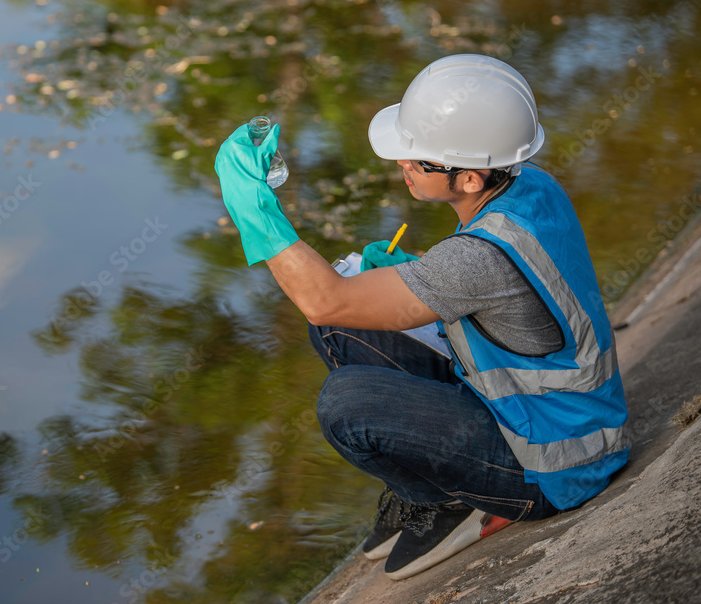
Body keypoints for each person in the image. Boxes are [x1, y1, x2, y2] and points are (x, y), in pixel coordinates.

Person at [214, 54, 630, 580]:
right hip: (558, 412)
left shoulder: (476, 259)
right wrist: (419, 275)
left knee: (346, 403)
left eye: (419, 160)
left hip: (555, 463)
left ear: (473, 178)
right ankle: (438, 489)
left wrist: (253, 207)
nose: (402, 166)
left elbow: (325, 297)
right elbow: (501, 291)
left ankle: (448, 500)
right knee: (342, 329)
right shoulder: (532, 185)